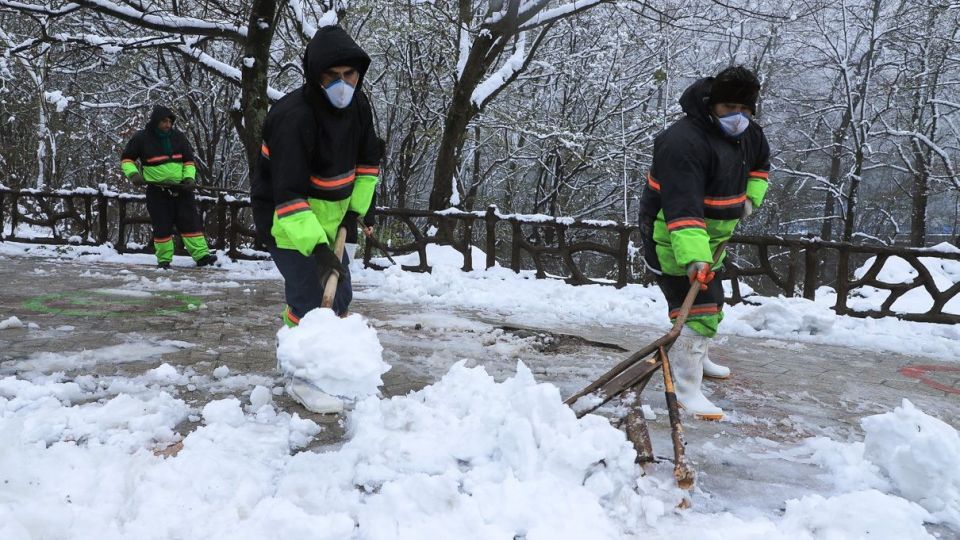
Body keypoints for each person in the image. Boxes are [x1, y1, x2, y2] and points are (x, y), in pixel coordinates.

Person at [251, 26, 382, 413]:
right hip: (288, 220)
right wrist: (318, 249)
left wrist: (358, 211)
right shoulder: (292, 118)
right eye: (332, 76)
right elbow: (288, 194)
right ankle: (301, 374)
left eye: (350, 74)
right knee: (310, 295)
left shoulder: (358, 106)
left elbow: (367, 165)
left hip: (333, 217)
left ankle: (331, 367)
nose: (343, 84)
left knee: (340, 295)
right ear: (314, 75)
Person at [639, 66, 771, 420]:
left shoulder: (750, 134)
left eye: (744, 109)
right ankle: (685, 387)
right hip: (672, 236)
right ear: (712, 104)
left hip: (713, 237)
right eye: (729, 107)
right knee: (698, 312)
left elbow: (760, 167)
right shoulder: (682, 142)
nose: (737, 117)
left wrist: (750, 198)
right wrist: (694, 259)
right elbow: (682, 208)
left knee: (714, 301)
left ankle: (699, 357)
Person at [120, 105, 217, 269]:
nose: (167, 125)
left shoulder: (179, 137)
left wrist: (189, 178)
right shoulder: (141, 138)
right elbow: (127, 160)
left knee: (190, 223)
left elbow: (188, 161)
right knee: (162, 226)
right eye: (164, 121)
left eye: (170, 121)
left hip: (181, 190)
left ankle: (202, 256)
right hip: (157, 191)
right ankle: (164, 260)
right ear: (156, 121)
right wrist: (134, 175)